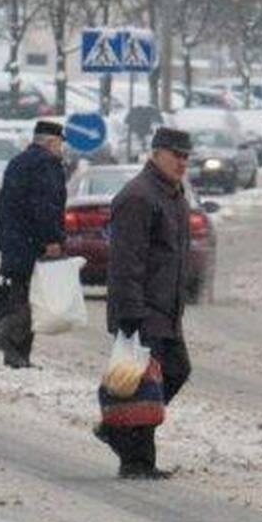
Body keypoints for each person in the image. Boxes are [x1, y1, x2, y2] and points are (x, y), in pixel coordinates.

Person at [95, 127, 194, 480]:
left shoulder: (173, 195)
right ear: (156, 153)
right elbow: (127, 260)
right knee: (142, 381)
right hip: (143, 307)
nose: (182, 162)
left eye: (186, 156)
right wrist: (130, 312)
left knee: (172, 372)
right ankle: (136, 459)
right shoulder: (139, 196)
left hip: (166, 308)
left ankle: (120, 430)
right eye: (175, 155)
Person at [0, 121, 67, 369]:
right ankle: (7, 336)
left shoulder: (18, 162)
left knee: (18, 294)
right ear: (51, 142)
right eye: (60, 143)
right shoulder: (47, 165)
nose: (61, 148)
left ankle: (18, 357)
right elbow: (45, 206)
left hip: (14, 240)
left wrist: (4, 241)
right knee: (32, 298)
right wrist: (51, 239)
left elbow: (4, 206)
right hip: (32, 242)